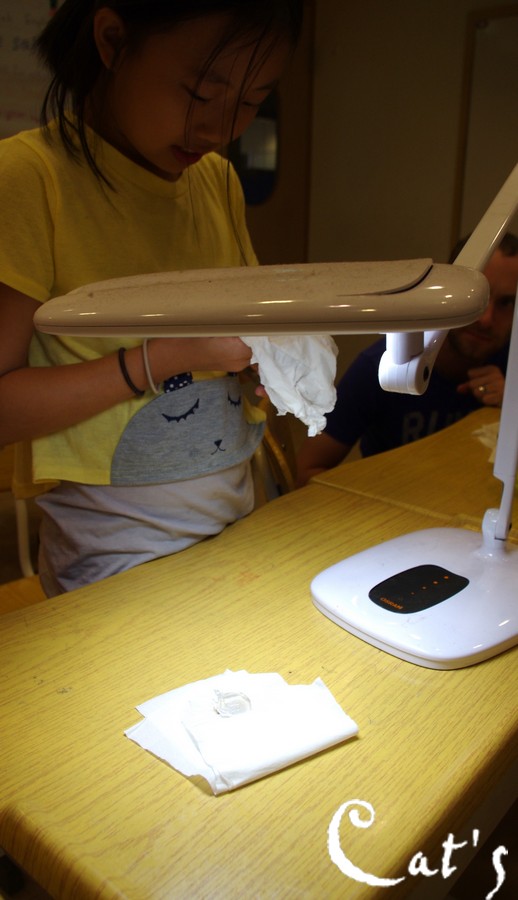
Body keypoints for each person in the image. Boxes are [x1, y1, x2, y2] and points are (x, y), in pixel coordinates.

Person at [0, 0, 304, 596]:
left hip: (235, 528)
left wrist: (270, 364)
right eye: (200, 93)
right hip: (113, 563)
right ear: (113, 41)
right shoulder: (31, 179)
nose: (221, 130)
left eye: (250, 102)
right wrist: (164, 356)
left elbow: (247, 340)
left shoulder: (217, 181)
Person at [296, 233, 518, 487]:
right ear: (448, 291)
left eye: (506, 303)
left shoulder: (511, 359)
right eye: (478, 297)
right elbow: (307, 471)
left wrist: (512, 402)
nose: (487, 319)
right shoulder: (385, 365)